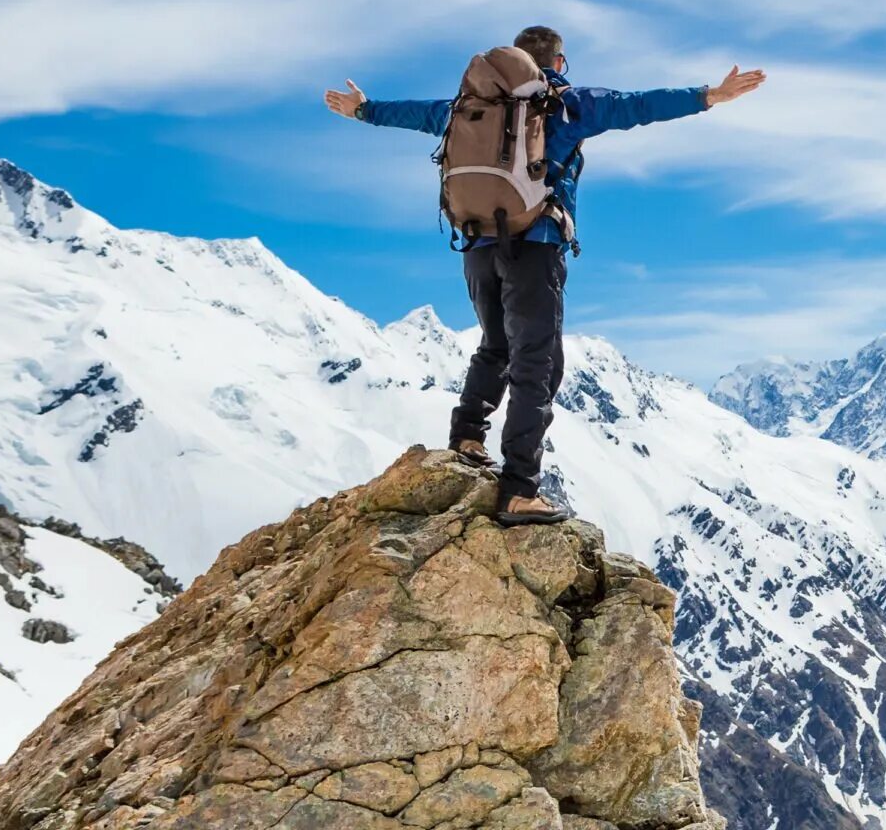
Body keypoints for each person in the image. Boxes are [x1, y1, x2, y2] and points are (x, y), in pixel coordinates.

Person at [324, 26, 765, 525]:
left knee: (495, 344)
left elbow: (413, 114)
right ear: (557, 62)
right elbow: (637, 106)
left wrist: (363, 109)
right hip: (534, 246)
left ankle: (467, 438)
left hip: (474, 242)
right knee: (537, 363)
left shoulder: (467, 104)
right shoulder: (565, 103)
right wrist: (710, 96)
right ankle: (518, 489)